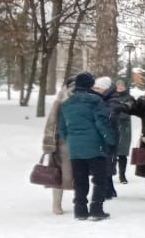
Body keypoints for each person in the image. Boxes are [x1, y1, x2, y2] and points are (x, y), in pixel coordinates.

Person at [59, 72, 115, 221]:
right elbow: (101, 123)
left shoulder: (66, 103)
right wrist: (110, 140)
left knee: (80, 179)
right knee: (99, 179)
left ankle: (80, 210)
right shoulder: (95, 100)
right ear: (90, 84)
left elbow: (62, 129)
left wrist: (72, 140)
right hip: (95, 145)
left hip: (75, 148)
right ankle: (96, 208)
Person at [42, 79, 75, 215]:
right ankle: (56, 204)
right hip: (61, 143)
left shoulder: (84, 101)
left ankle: (80, 203)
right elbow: (51, 122)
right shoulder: (60, 101)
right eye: (72, 86)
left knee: (78, 174)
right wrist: (48, 142)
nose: (74, 89)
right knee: (58, 174)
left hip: (78, 142)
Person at [93, 77, 121, 200]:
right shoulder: (101, 99)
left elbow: (110, 116)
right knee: (105, 162)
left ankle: (107, 190)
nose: (95, 90)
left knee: (107, 162)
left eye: (97, 88)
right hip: (103, 135)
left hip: (109, 135)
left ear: (105, 89)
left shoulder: (113, 100)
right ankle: (110, 188)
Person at [113, 79, 132, 184]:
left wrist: (116, 112)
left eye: (122, 85)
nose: (120, 87)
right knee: (111, 152)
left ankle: (122, 175)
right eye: (118, 84)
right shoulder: (111, 96)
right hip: (112, 127)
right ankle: (111, 173)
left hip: (124, 128)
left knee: (122, 153)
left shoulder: (129, 98)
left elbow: (128, 111)